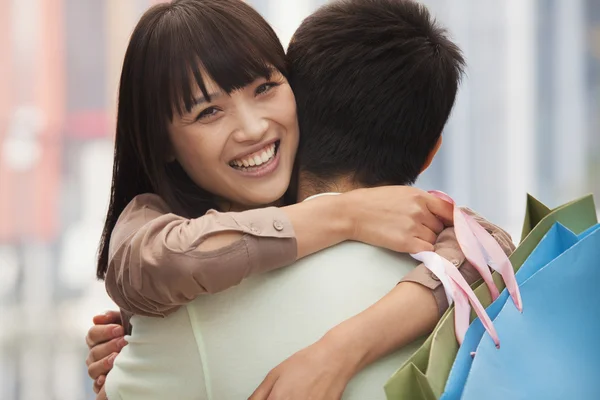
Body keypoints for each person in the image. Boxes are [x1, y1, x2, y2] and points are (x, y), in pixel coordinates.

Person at [86, 0, 514, 399]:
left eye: (265, 87)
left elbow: (486, 251)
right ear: (161, 143)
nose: (252, 127)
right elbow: (158, 263)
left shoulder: (188, 322)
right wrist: (344, 214)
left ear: (300, 99)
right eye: (208, 112)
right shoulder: (165, 260)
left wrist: (341, 350)